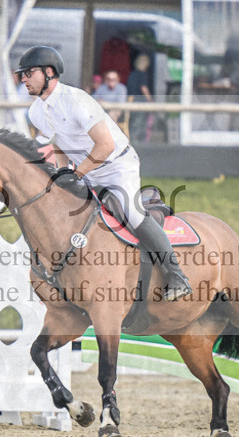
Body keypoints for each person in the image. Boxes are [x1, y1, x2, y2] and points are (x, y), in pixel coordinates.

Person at [15, 45, 191, 301]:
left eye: (29, 73)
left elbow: (106, 145)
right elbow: (58, 143)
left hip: (118, 166)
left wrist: (77, 173)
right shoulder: (36, 112)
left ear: (49, 72)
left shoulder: (77, 100)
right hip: (86, 171)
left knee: (131, 213)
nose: (23, 79)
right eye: (23, 74)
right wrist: (64, 171)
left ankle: (177, 275)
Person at [126, 53, 158, 143]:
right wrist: (151, 100)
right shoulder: (143, 74)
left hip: (130, 101)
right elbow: (143, 88)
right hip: (139, 101)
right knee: (140, 122)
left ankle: (131, 140)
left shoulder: (132, 74)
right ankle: (138, 143)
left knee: (132, 122)